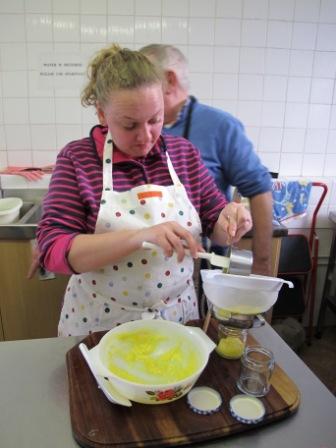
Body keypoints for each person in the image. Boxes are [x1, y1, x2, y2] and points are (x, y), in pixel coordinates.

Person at [36, 44, 252, 337]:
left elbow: (215, 221)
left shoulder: (183, 154)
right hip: (101, 325)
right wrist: (139, 237)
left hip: (178, 320)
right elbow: (53, 249)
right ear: (102, 114)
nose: (146, 136)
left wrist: (233, 219)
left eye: (155, 119)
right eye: (130, 125)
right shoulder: (78, 159)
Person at [139, 44, 273, 276]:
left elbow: (260, 190)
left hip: (201, 262)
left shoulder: (220, 127)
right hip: (139, 262)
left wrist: (261, 261)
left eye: (142, 80)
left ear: (169, 79)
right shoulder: (139, 129)